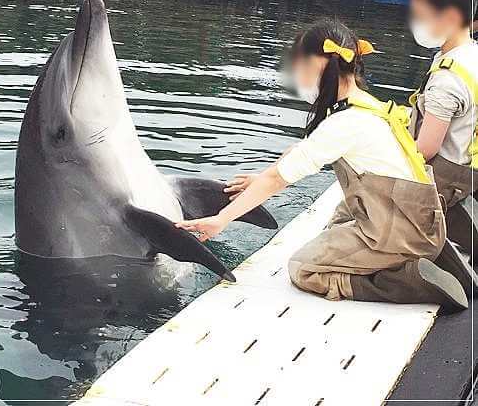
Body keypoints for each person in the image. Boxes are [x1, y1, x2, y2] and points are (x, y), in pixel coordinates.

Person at [176, 19, 468, 311]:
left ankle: (407, 278)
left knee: (304, 268)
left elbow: (280, 178)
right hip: (413, 217)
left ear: (322, 64)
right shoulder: (363, 104)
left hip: (399, 230)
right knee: (335, 225)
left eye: (301, 63)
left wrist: (221, 220)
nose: (297, 73)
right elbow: (300, 153)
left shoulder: (346, 123)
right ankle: (420, 253)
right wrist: (258, 179)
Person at [408, 0, 477, 262]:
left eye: (421, 16)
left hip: (445, 179)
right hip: (469, 170)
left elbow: (425, 149)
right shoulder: (471, 55)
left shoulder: (447, 79)